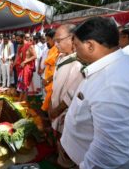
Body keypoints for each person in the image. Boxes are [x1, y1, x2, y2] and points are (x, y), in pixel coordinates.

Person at [61, 17, 129, 169]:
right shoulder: (111, 68)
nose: (74, 51)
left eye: (76, 45)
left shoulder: (117, 83)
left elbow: (111, 151)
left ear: (90, 45)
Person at [48, 24, 83, 168]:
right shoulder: (62, 57)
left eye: (59, 41)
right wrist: (51, 104)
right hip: (55, 107)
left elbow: (73, 92)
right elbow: (56, 85)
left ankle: (64, 163)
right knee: (59, 139)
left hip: (65, 111)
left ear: (72, 38)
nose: (56, 45)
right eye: (55, 41)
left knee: (67, 143)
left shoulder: (78, 62)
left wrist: (57, 109)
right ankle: (59, 158)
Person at [14, 31, 37, 102]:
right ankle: (20, 101)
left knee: (25, 86)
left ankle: (23, 102)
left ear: (23, 38)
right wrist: (13, 66)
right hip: (20, 68)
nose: (17, 41)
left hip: (27, 68)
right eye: (16, 39)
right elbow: (17, 57)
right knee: (21, 86)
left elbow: (35, 56)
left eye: (18, 39)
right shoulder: (19, 46)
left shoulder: (29, 45)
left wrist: (25, 61)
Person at [40, 29, 59, 111]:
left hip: (52, 80)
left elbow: (57, 69)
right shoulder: (51, 50)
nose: (46, 42)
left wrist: (47, 80)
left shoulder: (58, 50)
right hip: (48, 79)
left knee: (50, 103)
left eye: (48, 40)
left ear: (53, 39)